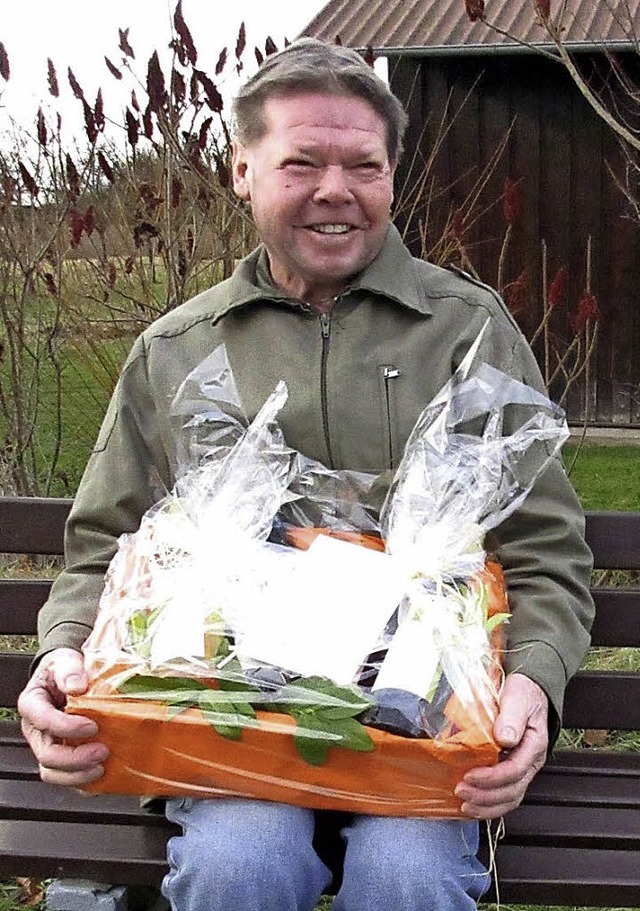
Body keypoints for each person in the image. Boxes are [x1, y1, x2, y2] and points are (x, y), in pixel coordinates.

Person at [18, 38, 594, 911]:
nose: (336, 190)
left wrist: (531, 685)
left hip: (425, 721)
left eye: (363, 164)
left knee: (409, 876)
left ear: (393, 175)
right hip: (227, 720)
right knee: (243, 863)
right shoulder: (178, 350)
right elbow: (105, 542)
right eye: (302, 163)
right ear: (241, 171)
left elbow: (546, 550)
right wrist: (60, 660)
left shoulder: (468, 331)